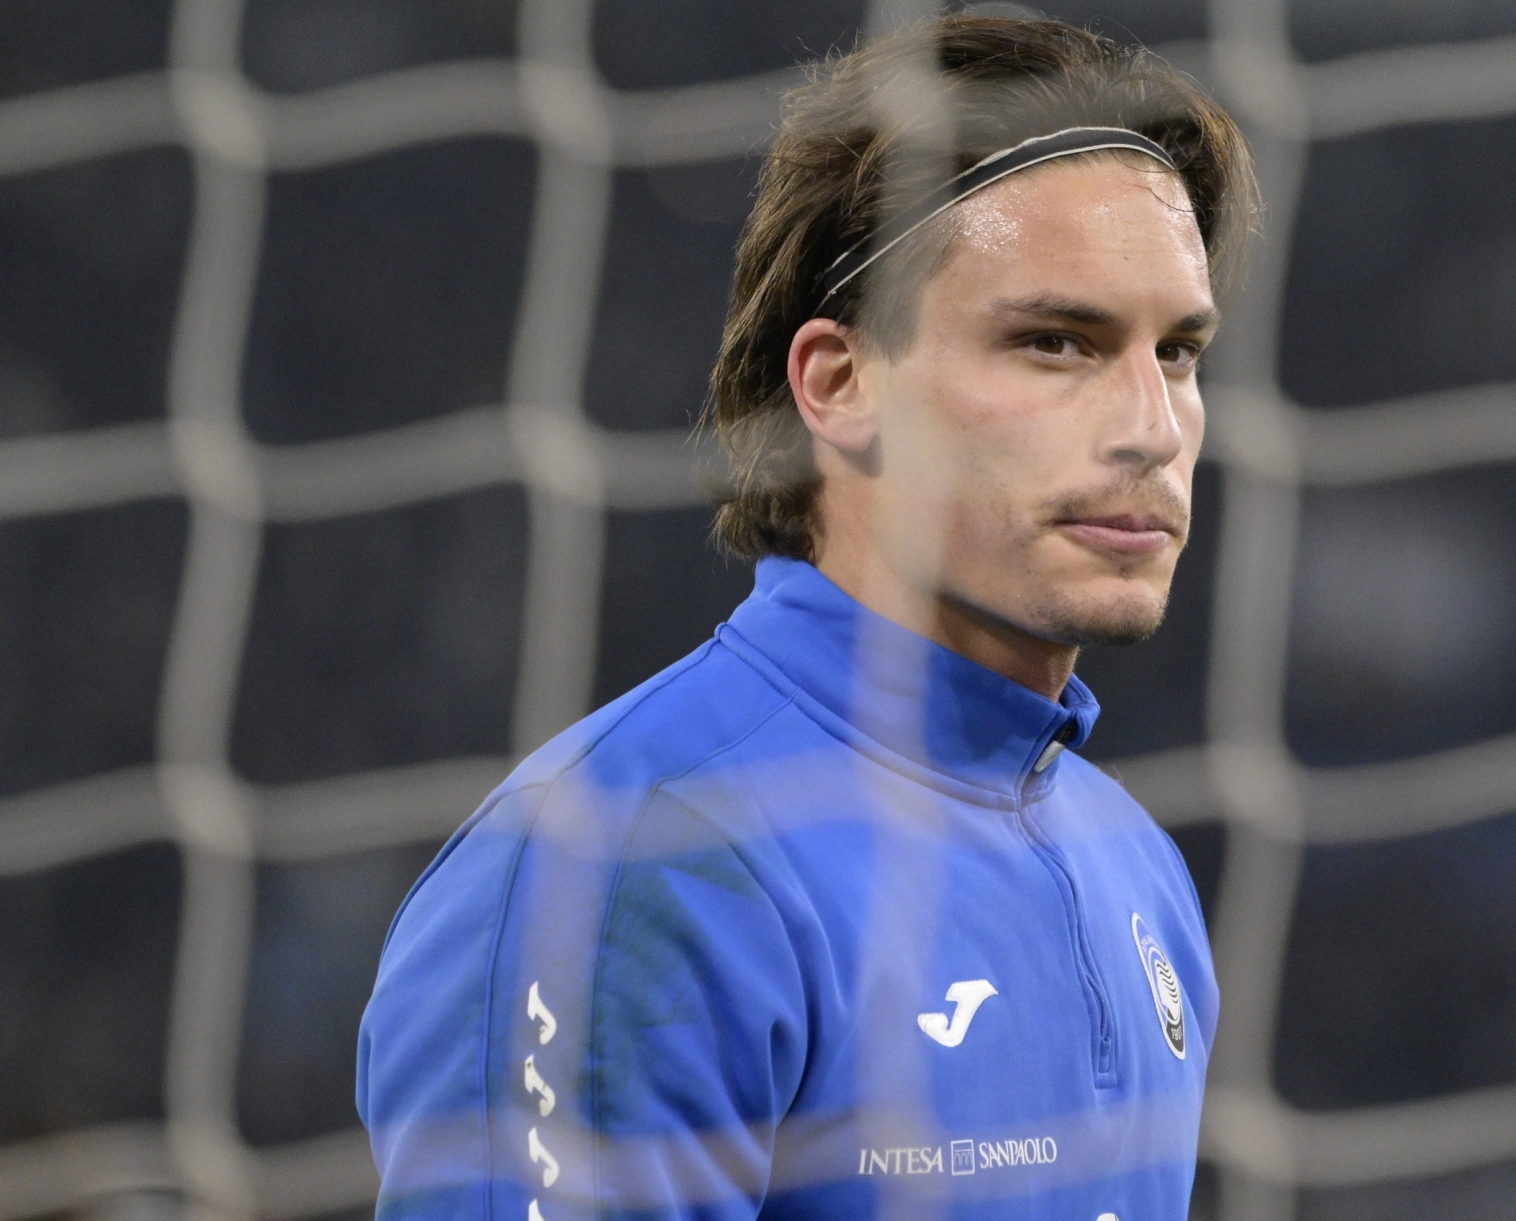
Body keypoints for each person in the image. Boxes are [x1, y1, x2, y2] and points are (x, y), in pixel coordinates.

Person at [357, 13, 1259, 1221]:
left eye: (1181, 352)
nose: (1153, 424)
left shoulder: (1131, 863)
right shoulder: (627, 866)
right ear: (839, 384)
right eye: (1057, 341)